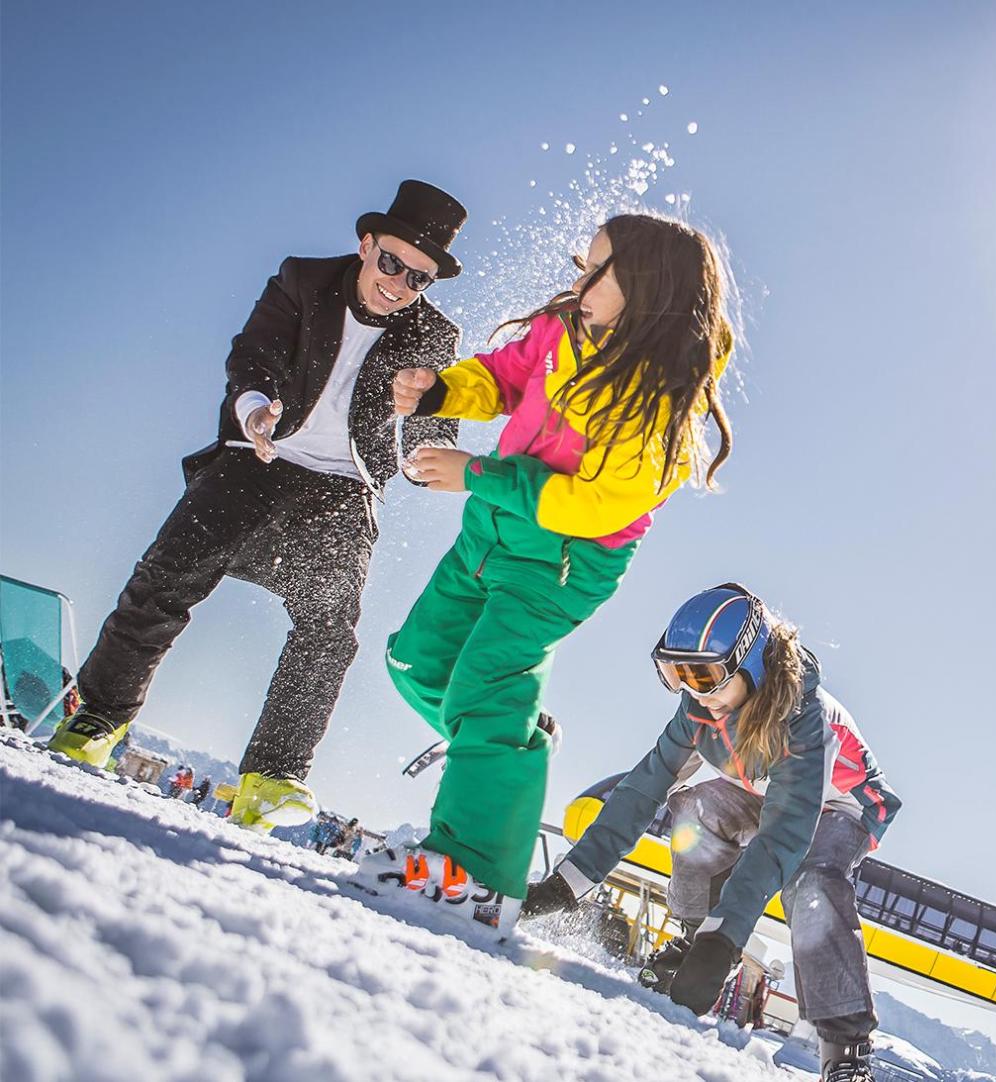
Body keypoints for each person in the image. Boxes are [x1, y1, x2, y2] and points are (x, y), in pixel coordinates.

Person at [45, 181, 468, 834]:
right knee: (167, 574)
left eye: (418, 280)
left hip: (343, 489)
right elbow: (255, 352)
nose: (399, 285)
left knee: (329, 627)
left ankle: (272, 778)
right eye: (391, 263)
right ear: (366, 245)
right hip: (261, 454)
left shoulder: (433, 336)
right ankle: (98, 718)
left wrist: (428, 433)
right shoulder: (305, 279)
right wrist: (255, 409)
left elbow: (431, 444)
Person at [373, 212, 739, 924]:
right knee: (417, 664)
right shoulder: (563, 331)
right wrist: (443, 390)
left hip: (559, 566)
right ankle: (513, 735)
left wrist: (477, 473)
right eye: (586, 263)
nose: (582, 280)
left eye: (600, 269)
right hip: (489, 535)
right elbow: (504, 376)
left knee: (482, 690)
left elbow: (592, 506)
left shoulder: (659, 406)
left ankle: (472, 875)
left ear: (647, 288)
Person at [520, 585, 900, 1082]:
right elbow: (643, 789)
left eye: (704, 676)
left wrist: (727, 939)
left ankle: (844, 1048)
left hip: (840, 804)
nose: (694, 690)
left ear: (751, 666)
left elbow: (784, 834)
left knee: (809, 879)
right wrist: (567, 883)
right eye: (676, 674)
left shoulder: (804, 721)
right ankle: (693, 938)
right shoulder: (701, 709)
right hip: (764, 791)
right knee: (694, 811)